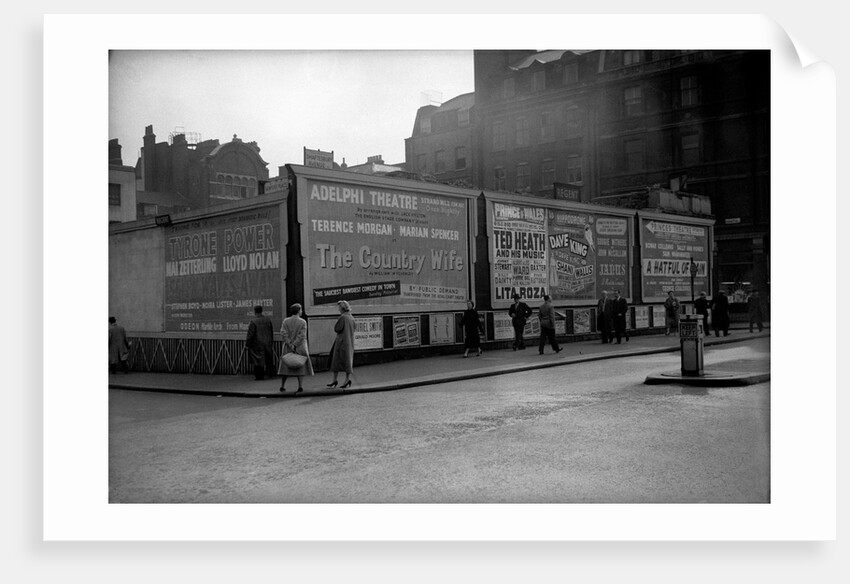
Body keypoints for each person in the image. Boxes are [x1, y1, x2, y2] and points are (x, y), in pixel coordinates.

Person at [278, 303, 314, 393]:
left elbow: (283, 333)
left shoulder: (285, 321)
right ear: (298, 311)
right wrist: (295, 344)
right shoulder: (302, 322)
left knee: (285, 367)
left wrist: (289, 343)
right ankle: (300, 386)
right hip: (300, 347)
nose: (302, 311)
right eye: (301, 310)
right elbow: (302, 335)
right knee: (300, 366)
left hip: (287, 347)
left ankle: (282, 385)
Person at [327, 300, 355, 389]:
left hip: (341, 341)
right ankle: (347, 379)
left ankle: (334, 380)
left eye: (339, 307)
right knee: (348, 361)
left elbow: (337, 328)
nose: (338, 309)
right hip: (349, 342)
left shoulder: (342, 317)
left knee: (336, 361)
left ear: (342, 308)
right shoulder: (351, 317)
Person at [246, 305, 275, 380]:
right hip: (267, 342)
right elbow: (271, 331)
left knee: (258, 361)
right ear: (262, 311)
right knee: (268, 359)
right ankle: (271, 373)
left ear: (255, 311)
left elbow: (250, 334)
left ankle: (259, 376)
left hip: (257, 344)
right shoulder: (268, 320)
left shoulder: (253, 321)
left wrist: (247, 344)